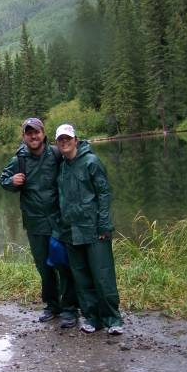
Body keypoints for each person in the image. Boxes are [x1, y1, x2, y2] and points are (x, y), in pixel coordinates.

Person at [0, 118, 79, 328]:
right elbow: (3, 179)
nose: (33, 136)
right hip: (34, 223)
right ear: (24, 136)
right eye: (29, 133)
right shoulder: (19, 159)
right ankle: (52, 306)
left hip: (58, 220)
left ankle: (70, 308)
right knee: (44, 267)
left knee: (63, 264)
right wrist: (11, 182)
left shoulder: (55, 153)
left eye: (36, 132)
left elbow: (75, 160)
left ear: (43, 133)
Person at [54, 124, 123, 335]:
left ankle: (112, 319)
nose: (65, 142)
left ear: (76, 140)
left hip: (94, 230)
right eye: (61, 140)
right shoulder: (62, 166)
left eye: (68, 138)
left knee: (103, 276)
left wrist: (104, 224)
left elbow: (103, 194)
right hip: (71, 232)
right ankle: (92, 318)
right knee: (82, 279)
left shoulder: (92, 162)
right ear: (57, 143)